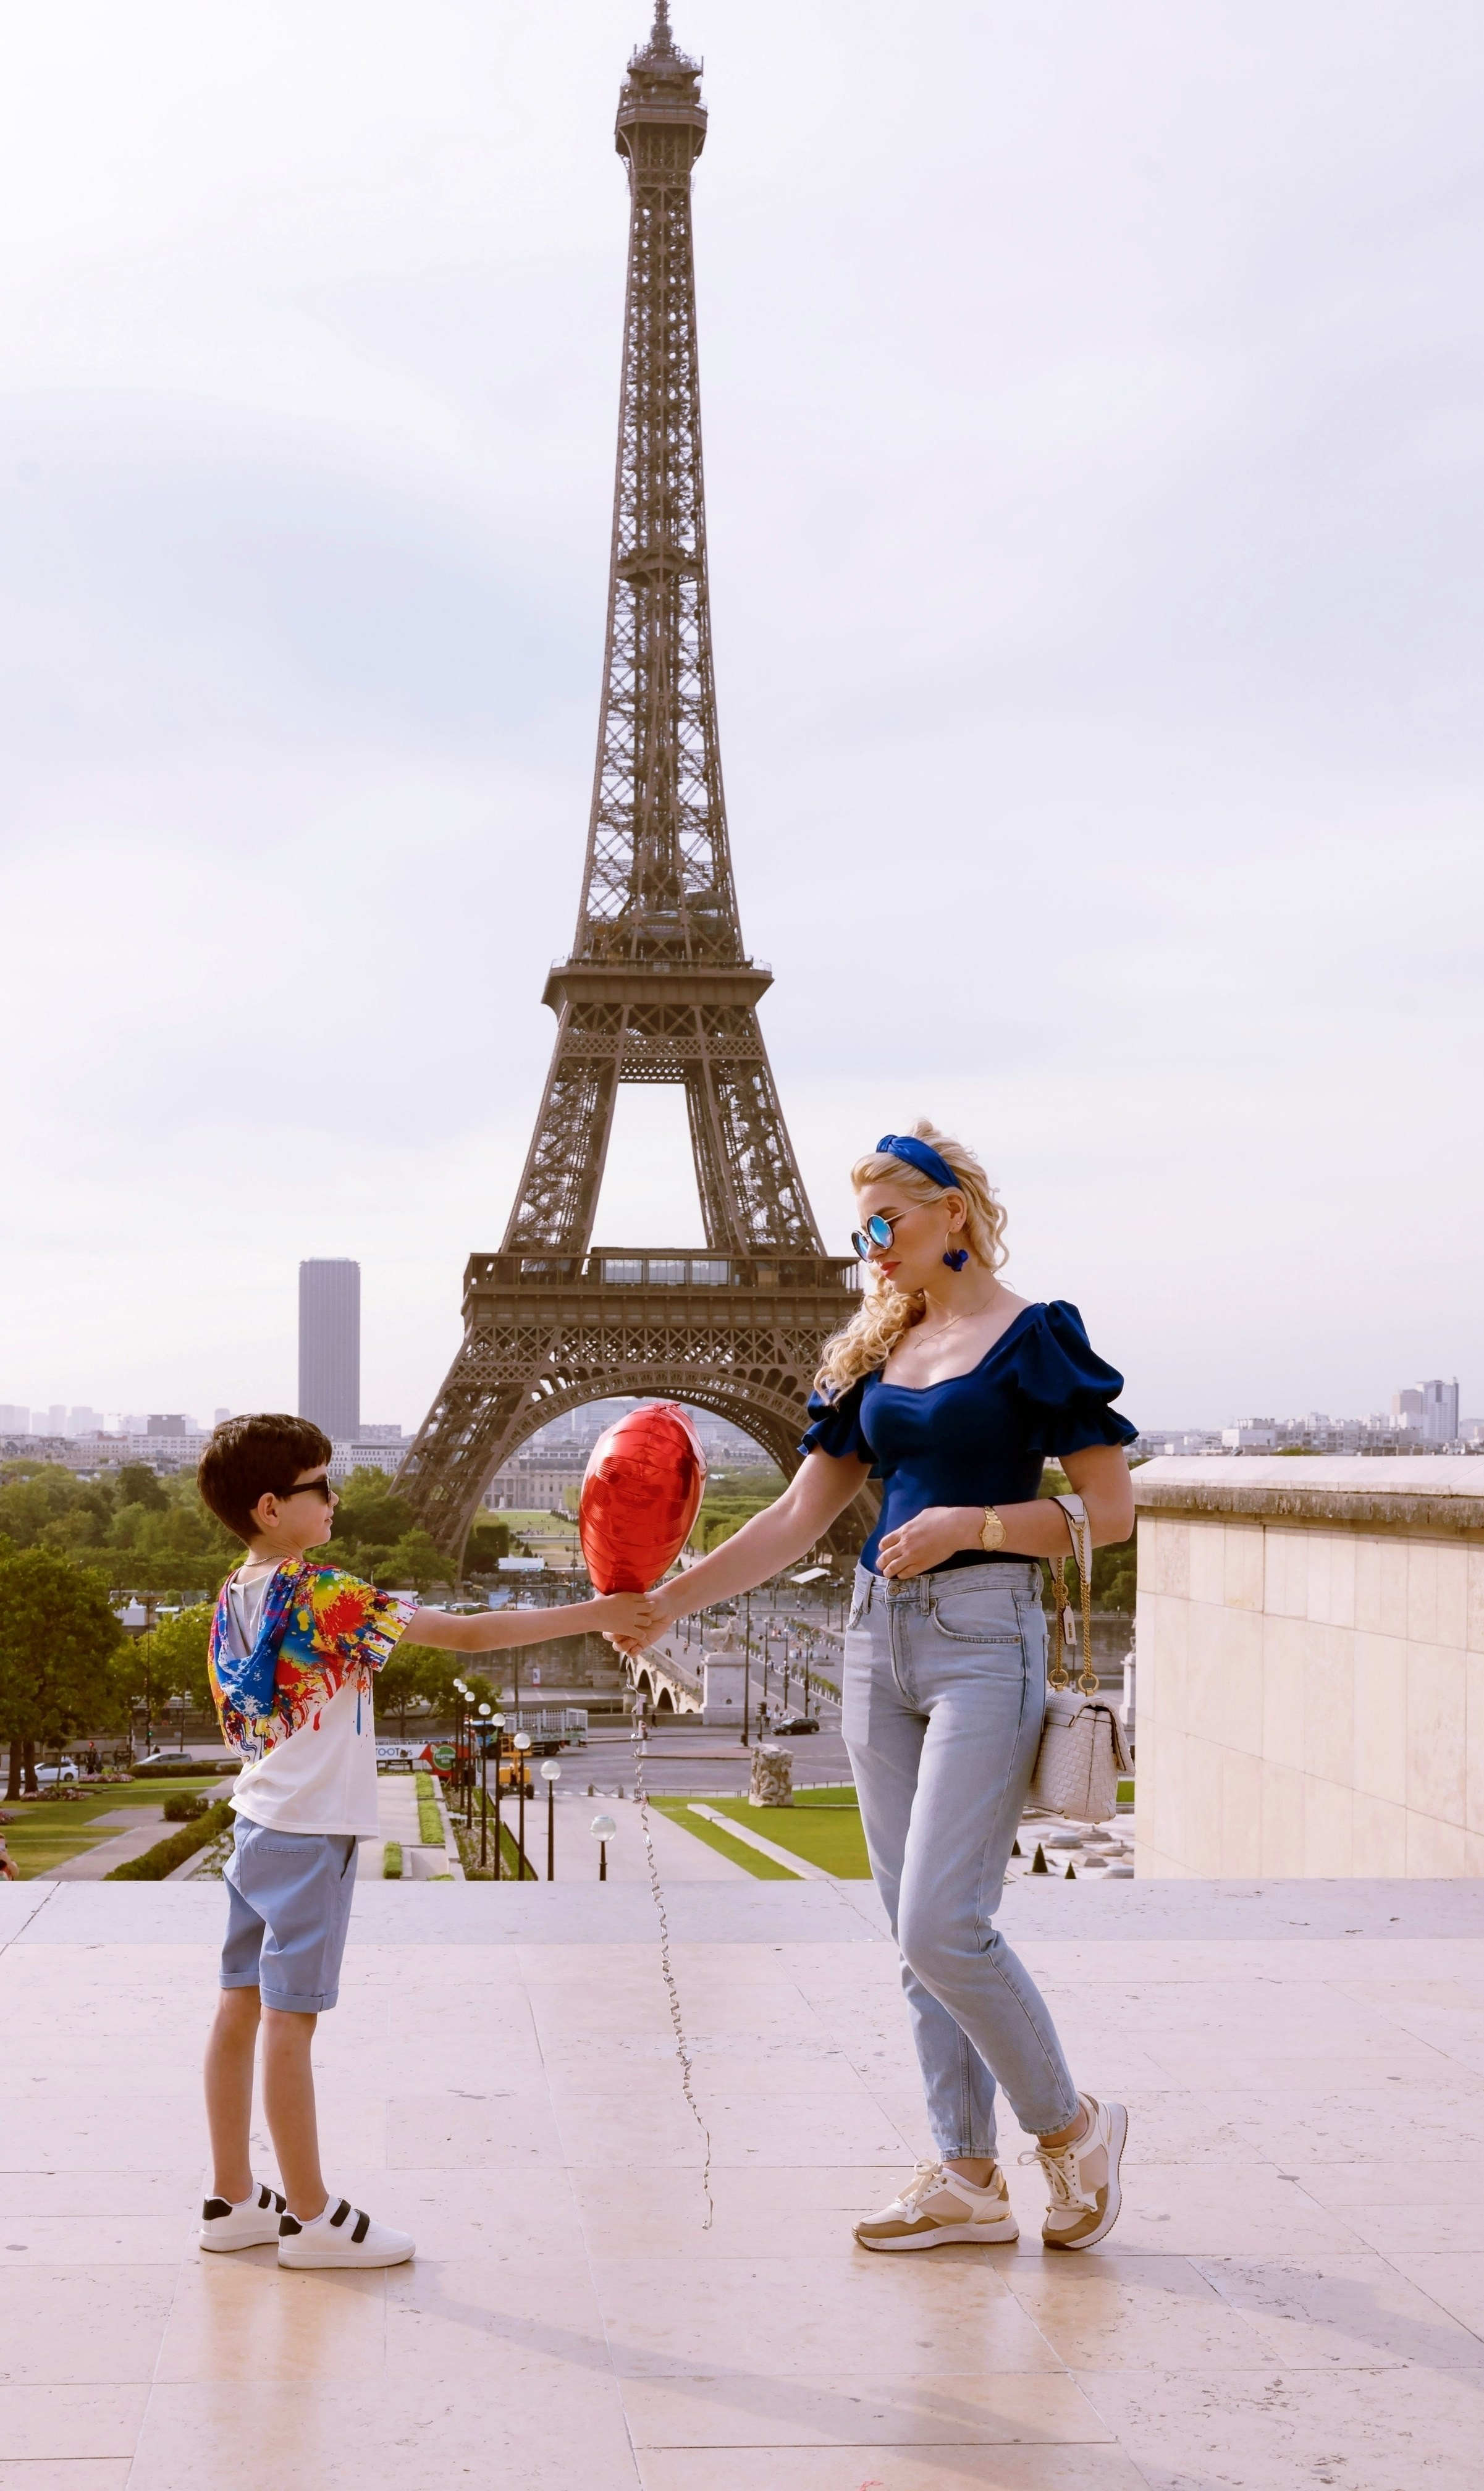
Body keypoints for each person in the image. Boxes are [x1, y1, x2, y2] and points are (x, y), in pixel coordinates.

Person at [627, 1123, 1136, 2254]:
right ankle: (964, 2173)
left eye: (885, 1224)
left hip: (979, 1637)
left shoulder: (1033, 1338)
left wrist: (972, 1523)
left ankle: (1070, 2129)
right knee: (913, 1937)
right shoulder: (874, 1352)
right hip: (875, 1641)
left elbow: (1108, 1515)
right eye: (856, 1232)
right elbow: (797, 1517)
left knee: (942, 1923)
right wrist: (674, 1597)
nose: (868, 1249)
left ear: (951, 1209)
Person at [195, 1412, 657, 2271]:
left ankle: (231, 2200)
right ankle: (311, 2217)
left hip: (255, 1822)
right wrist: (600, 1610)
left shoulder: (234, 1593)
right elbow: (474, 1635)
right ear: (269, 1506)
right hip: (309, 1832)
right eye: (318, 1486)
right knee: (290, 2025)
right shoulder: (324, 1596)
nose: (333, 1498)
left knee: (237, 2008)